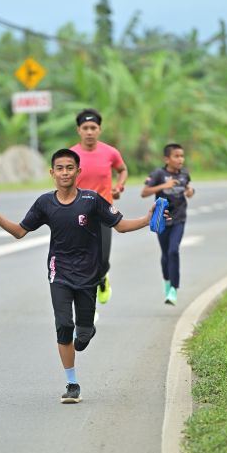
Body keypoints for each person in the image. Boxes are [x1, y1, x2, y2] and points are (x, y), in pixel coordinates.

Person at [0, 148, 156, 404]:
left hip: (88, 275)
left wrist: (147, 219)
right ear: (52, 173)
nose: (65, 173)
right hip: (59, 272)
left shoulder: (92, 200)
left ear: (78, 172)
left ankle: (87, 331)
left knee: (82, 336)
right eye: (60, 168)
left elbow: (121, 226)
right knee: (64, 325)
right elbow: (19, 231)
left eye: (70, 168)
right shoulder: (45, 203)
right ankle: (72, 384)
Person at [70, 108, 128, 305]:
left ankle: (103, 277)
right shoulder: (71, 155)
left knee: (102, 259)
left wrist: (119, 187)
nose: (89, 132)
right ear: (78, 130)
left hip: (103, 212)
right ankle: (88, 305)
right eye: (85, 127)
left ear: (99, 130)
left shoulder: (110, 152)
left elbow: (122, 169)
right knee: (82, 261)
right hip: (77, 212)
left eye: (93, 128)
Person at [141, 143, 194, 306]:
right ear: (167, 159)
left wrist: (190, 191)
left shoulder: (184, 174)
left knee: (173, 251)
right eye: (176, 156)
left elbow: (188, 188)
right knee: (165, 254)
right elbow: (144, 192)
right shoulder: (158, 174)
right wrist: (164, 186)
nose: (180, 159)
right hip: (161, 217)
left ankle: (173, 289)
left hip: (179, 218)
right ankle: (167, 282)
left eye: (182, 156)